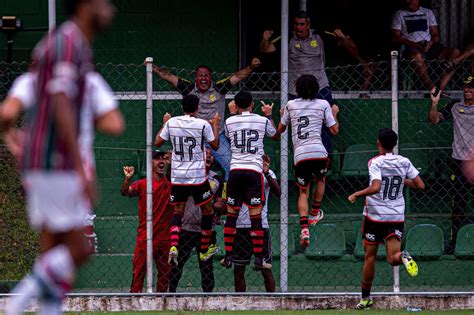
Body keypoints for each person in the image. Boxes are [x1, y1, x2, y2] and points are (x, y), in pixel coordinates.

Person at [2, 0, 117, 313]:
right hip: (59, 163)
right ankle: (17, 304)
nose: (110, 8)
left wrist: (15, 143)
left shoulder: (57, 47)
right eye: (102, 2)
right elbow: (62, 101)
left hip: (42, 162)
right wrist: (80, 166)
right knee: (80, 249)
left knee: (52, 245)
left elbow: (6, 114)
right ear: (84, 5)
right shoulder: (69, 44)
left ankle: (48, 309)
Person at [348, 128, 425, 310]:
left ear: (378, 143)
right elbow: (420, 185)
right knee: (392, 258)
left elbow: (375, 187)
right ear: (395, 144)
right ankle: (404, 256)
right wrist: (399, 179)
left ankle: (366, 298)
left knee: (370, 256)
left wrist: (356, 194)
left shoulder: (375, 162)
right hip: (395, 215)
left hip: (374, 216)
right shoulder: (404, 161)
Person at [151, 57, 261, 180]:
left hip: (217, 137)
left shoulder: (219, 88)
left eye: (206, 75)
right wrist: (153, 67)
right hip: (195, 138)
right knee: (188, 168)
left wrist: (250, 67)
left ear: (210, 78)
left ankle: (228, 196)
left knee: (232, 165)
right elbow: (169, 77)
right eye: (200, 75)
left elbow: (237, 77)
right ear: (195, 78)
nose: (203, 78)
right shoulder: (188, 88)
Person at [155, 94, 220, 266]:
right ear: (197, 107)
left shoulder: (172, 122)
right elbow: (215, 146)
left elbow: (158, 142)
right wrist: (215, 125)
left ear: (182, 107)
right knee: (207, 210)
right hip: (198, 176)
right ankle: (205, 249)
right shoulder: (202, 124)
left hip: (178, 176)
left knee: (178, 211)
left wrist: (164, 122)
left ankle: (174, 245)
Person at [277, 74, 339, 248]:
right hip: (319, 152)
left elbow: (281, 129)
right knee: (321, 179)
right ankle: (315, 212)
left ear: (297, 89)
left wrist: (282, 115)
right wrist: (334, 113)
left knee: (303, 191)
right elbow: (334, 130)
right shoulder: (323, 104)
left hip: (300, 154)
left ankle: (304, 228)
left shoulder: (290, 105)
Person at [220, 90, 279, 271]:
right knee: (256, 217)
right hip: (254, 170)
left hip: (236, 170)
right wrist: (269, 115)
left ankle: (228, 255)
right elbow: (275, 134)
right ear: (252, 104)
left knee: (231, 215)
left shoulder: (229, 121)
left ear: (236, 106)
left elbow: (230, 137)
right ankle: (259, 258)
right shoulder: (261, 120)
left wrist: (232, 114)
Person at [260, 10, 334, 151]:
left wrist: (342, 37)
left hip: (320, 87)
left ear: (308, 25)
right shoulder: (287, 38)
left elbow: (343, 40)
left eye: (301, 24)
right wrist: (265, 39)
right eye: (296, 24)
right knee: (296, 126)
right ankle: (299, 158)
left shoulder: (319, 37)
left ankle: (325, 159)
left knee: (326, 124)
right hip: (296, 90)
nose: (298, 27)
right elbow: (265, 50)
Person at [168, 149, 225, 293]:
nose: (208, 156)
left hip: (207, 230)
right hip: (186, 228)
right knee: (177, 265)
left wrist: (208, 203)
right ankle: (170, 294)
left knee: (206, 267)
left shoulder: (217, 179)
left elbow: (222, 204)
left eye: (211, 155)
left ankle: (207, 298)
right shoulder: (188, 175)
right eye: (205, 154)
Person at [428, 78, 474, 250]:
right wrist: (434, 104)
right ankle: (455, 241)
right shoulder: (455, 106)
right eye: (466, 86)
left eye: (472, 88)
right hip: (459, 161)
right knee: (458, 202)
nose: (468, 90)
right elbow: (434, 120)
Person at [120, 150, 173, 293]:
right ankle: (134, 301)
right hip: (145, 237)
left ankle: (161, 304)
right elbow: (126, 191)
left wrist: (172, 163)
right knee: (138, 272)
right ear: (150, 164)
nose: (161, 161)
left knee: (165, 274)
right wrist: (127, 179)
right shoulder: (143, 184)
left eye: (163, 159)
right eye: (156, 159)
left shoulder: (170, 185)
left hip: (165, 238)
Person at [232, 154, 280, 292]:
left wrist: (266, 173)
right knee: (239, 269)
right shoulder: (237, 171)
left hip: (261, 225)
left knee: (265, 268)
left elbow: (278, 191)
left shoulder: (267, 173)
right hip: (241, 226)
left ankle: (273, 302)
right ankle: (240, 303)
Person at [391, 0, 460, 91]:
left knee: (455, 53)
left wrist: (430, 43)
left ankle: (440, 88)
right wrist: (415, 44)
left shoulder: (427, 12)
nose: (408, 1)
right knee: (416, 57)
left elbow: (435, 35)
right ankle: (432, 89)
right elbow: (395, 37)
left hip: (428, 45)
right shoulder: (399, 14)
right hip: (411, 47)